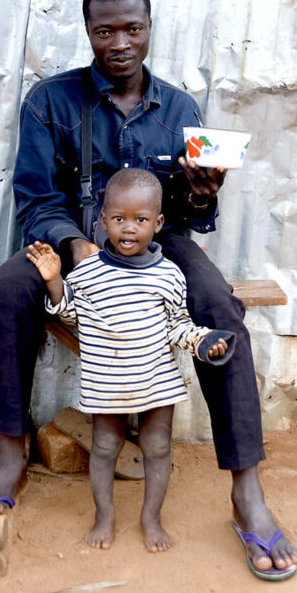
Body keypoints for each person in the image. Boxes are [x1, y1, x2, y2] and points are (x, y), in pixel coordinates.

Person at [0, 0, 297, 581]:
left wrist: (200, 193)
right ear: (88, 31)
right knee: (9, 291)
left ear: (148, 29)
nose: (119, 42)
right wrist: (76, 244)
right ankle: (10, 457)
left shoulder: (181, 110)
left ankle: (247, 490)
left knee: (220, 303)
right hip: (69, 243)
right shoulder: (49, 102)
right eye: (104, 30)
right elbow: (34, 197)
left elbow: (198, 218)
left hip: (157, 247)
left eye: (132, 28)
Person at [26, 168, 232, 552]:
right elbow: (71, 314)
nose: (129, 229)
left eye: (140, 220)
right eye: (119, 219)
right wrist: (55, 280)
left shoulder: (169, 274)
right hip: (107, 381)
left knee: (157, 447)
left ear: (158, 223)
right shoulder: (88, 272)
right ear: (102, 222)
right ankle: (104, 515)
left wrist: (203, 340)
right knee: (104, 447)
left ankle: (151, 518)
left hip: (157, 380)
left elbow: (178, 325)